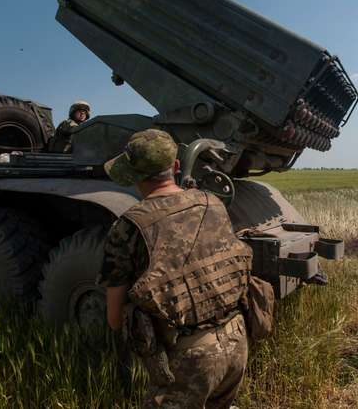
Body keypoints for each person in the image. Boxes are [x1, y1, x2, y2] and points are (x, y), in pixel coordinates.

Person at [99, 129, 252, 408]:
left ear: (132, 175)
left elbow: (114, 319)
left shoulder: (127, 228)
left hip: (188, 359)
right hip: (237, 339)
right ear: (177, 166)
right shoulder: (213, 202)